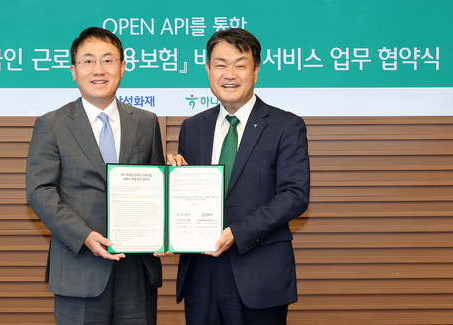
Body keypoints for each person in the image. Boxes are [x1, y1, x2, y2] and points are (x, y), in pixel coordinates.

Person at [168, 28, 310, 324]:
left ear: (256, 71)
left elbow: (295, 196)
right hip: (201, 277)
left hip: (259, 276)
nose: (229, 74)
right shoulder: (192, 127)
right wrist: (172, 184)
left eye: (240, 65)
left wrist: (237, 232)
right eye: (220, 65)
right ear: (208, 69)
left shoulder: (285, 125)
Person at [26, 27, 165, 325]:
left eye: (108, 60)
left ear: (123, 67)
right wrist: (85, 236)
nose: (98, 70)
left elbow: (157, 187)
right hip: (80, 270)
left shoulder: (145, 122)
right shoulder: (52, 124)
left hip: (137, 274)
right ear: (73, 71)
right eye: (88, 61)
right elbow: (40, 191)